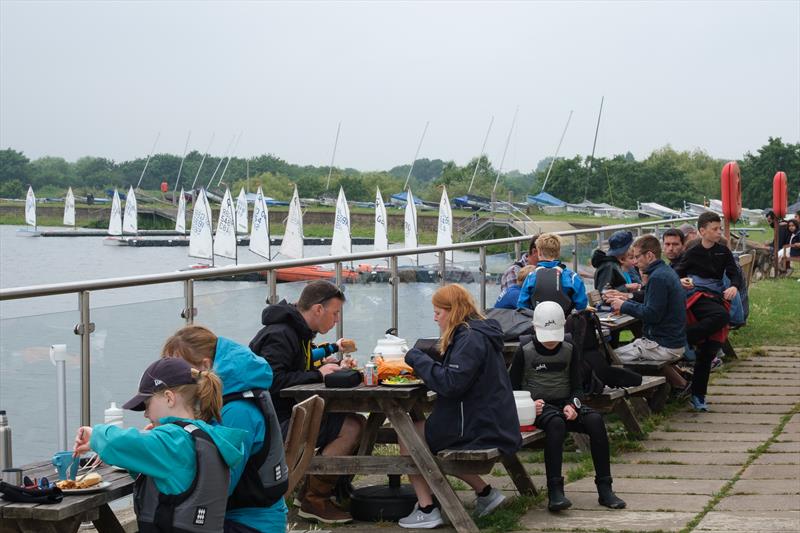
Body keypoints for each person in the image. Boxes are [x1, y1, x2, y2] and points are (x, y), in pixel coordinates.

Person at [73, 358, 246, 532]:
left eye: (147, 405)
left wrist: (94, 434)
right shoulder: (207, 436)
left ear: (169, 398)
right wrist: (150, 441)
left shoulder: (173, 440)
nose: (146, 414)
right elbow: (170, 484)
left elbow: (116, 442)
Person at [399, 284, 521, 528]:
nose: (435, 319)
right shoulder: (478, 332)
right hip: (494, 421)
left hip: (479, 428)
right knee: (423, 432)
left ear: (452, 311)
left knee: (408, 435)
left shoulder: (470, 339)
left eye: (438, 313)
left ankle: (427, 508)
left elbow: (451, 384)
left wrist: (416, 357)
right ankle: (485, 493)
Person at [249, 280, 364, 524]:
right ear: (317, 309)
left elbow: (294, 367)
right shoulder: (280, 334)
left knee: (354, 421)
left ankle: (316, 492)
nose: (335, 320)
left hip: (285, 412)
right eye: (334, 313)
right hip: (270, 423)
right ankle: (315, 499)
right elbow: (272, 380)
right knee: (351, 427)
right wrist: (318, 374)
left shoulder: (295, 332)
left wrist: (326, 366)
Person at [162, 325, 288, 533]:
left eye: (181, 371)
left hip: (251, 524)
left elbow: (218, 486)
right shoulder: (235, 392)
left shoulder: (236, 411)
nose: (175, 381)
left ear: (205, 365)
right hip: (246, 516)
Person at [509, 301, 625, 512]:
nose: (551, 343)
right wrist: (528, 405)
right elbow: (510, 389)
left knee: (596, 421)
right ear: (535, 328)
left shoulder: (569, 349)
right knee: (556, 425)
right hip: (539, 408)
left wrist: (573, 404)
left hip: (565, 403)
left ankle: (605, 488)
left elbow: (578, 387)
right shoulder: (524, 351)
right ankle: (555, 491)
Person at [674, 212, 742, 412]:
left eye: (719, 228)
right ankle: (685, 337)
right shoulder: (692, 252)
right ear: (702, 231)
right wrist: (681, 280)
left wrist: (734, 287)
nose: (719, 232)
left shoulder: (723, 252)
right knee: (722, 317)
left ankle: (698, 395)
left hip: (716, 296)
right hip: (697, 297)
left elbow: (733, 274)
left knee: (709, 349)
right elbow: (677, 273)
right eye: (715, 229)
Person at [605, 235, 688, 389]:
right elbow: (651, 302)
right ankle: (676, 385)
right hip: (673, 341)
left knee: (610, 358)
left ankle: (638, 394)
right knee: (625, 350)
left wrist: (623, 305)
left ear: (649, 255)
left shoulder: (657, 278)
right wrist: (627, 298)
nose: (635, 262)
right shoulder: (665, 271)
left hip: (662, 345)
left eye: (637, 257)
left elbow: (652, 314)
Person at [517, 233, 588, 314]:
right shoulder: (572, 277)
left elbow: (522, 305)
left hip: (538, 323)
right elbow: (582, 304)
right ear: (558, 253)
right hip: (565, 322)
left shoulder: (531, 277)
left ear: (539, 253)